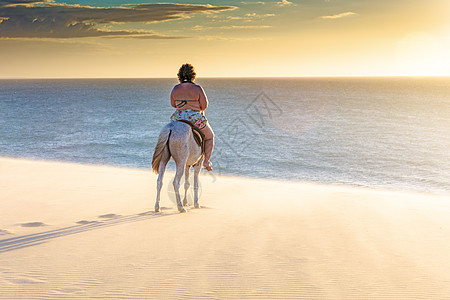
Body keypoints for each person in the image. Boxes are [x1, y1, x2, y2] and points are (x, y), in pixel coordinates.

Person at [169, 63, 214, 171]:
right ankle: (206, 161)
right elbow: (204, 106)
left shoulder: (175, 88)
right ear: (193, 75)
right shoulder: (197, 88)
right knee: (210, 136)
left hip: (178, 117)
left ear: (179, 75)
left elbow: (173, 104)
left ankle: (167, 153)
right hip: (193, 117)